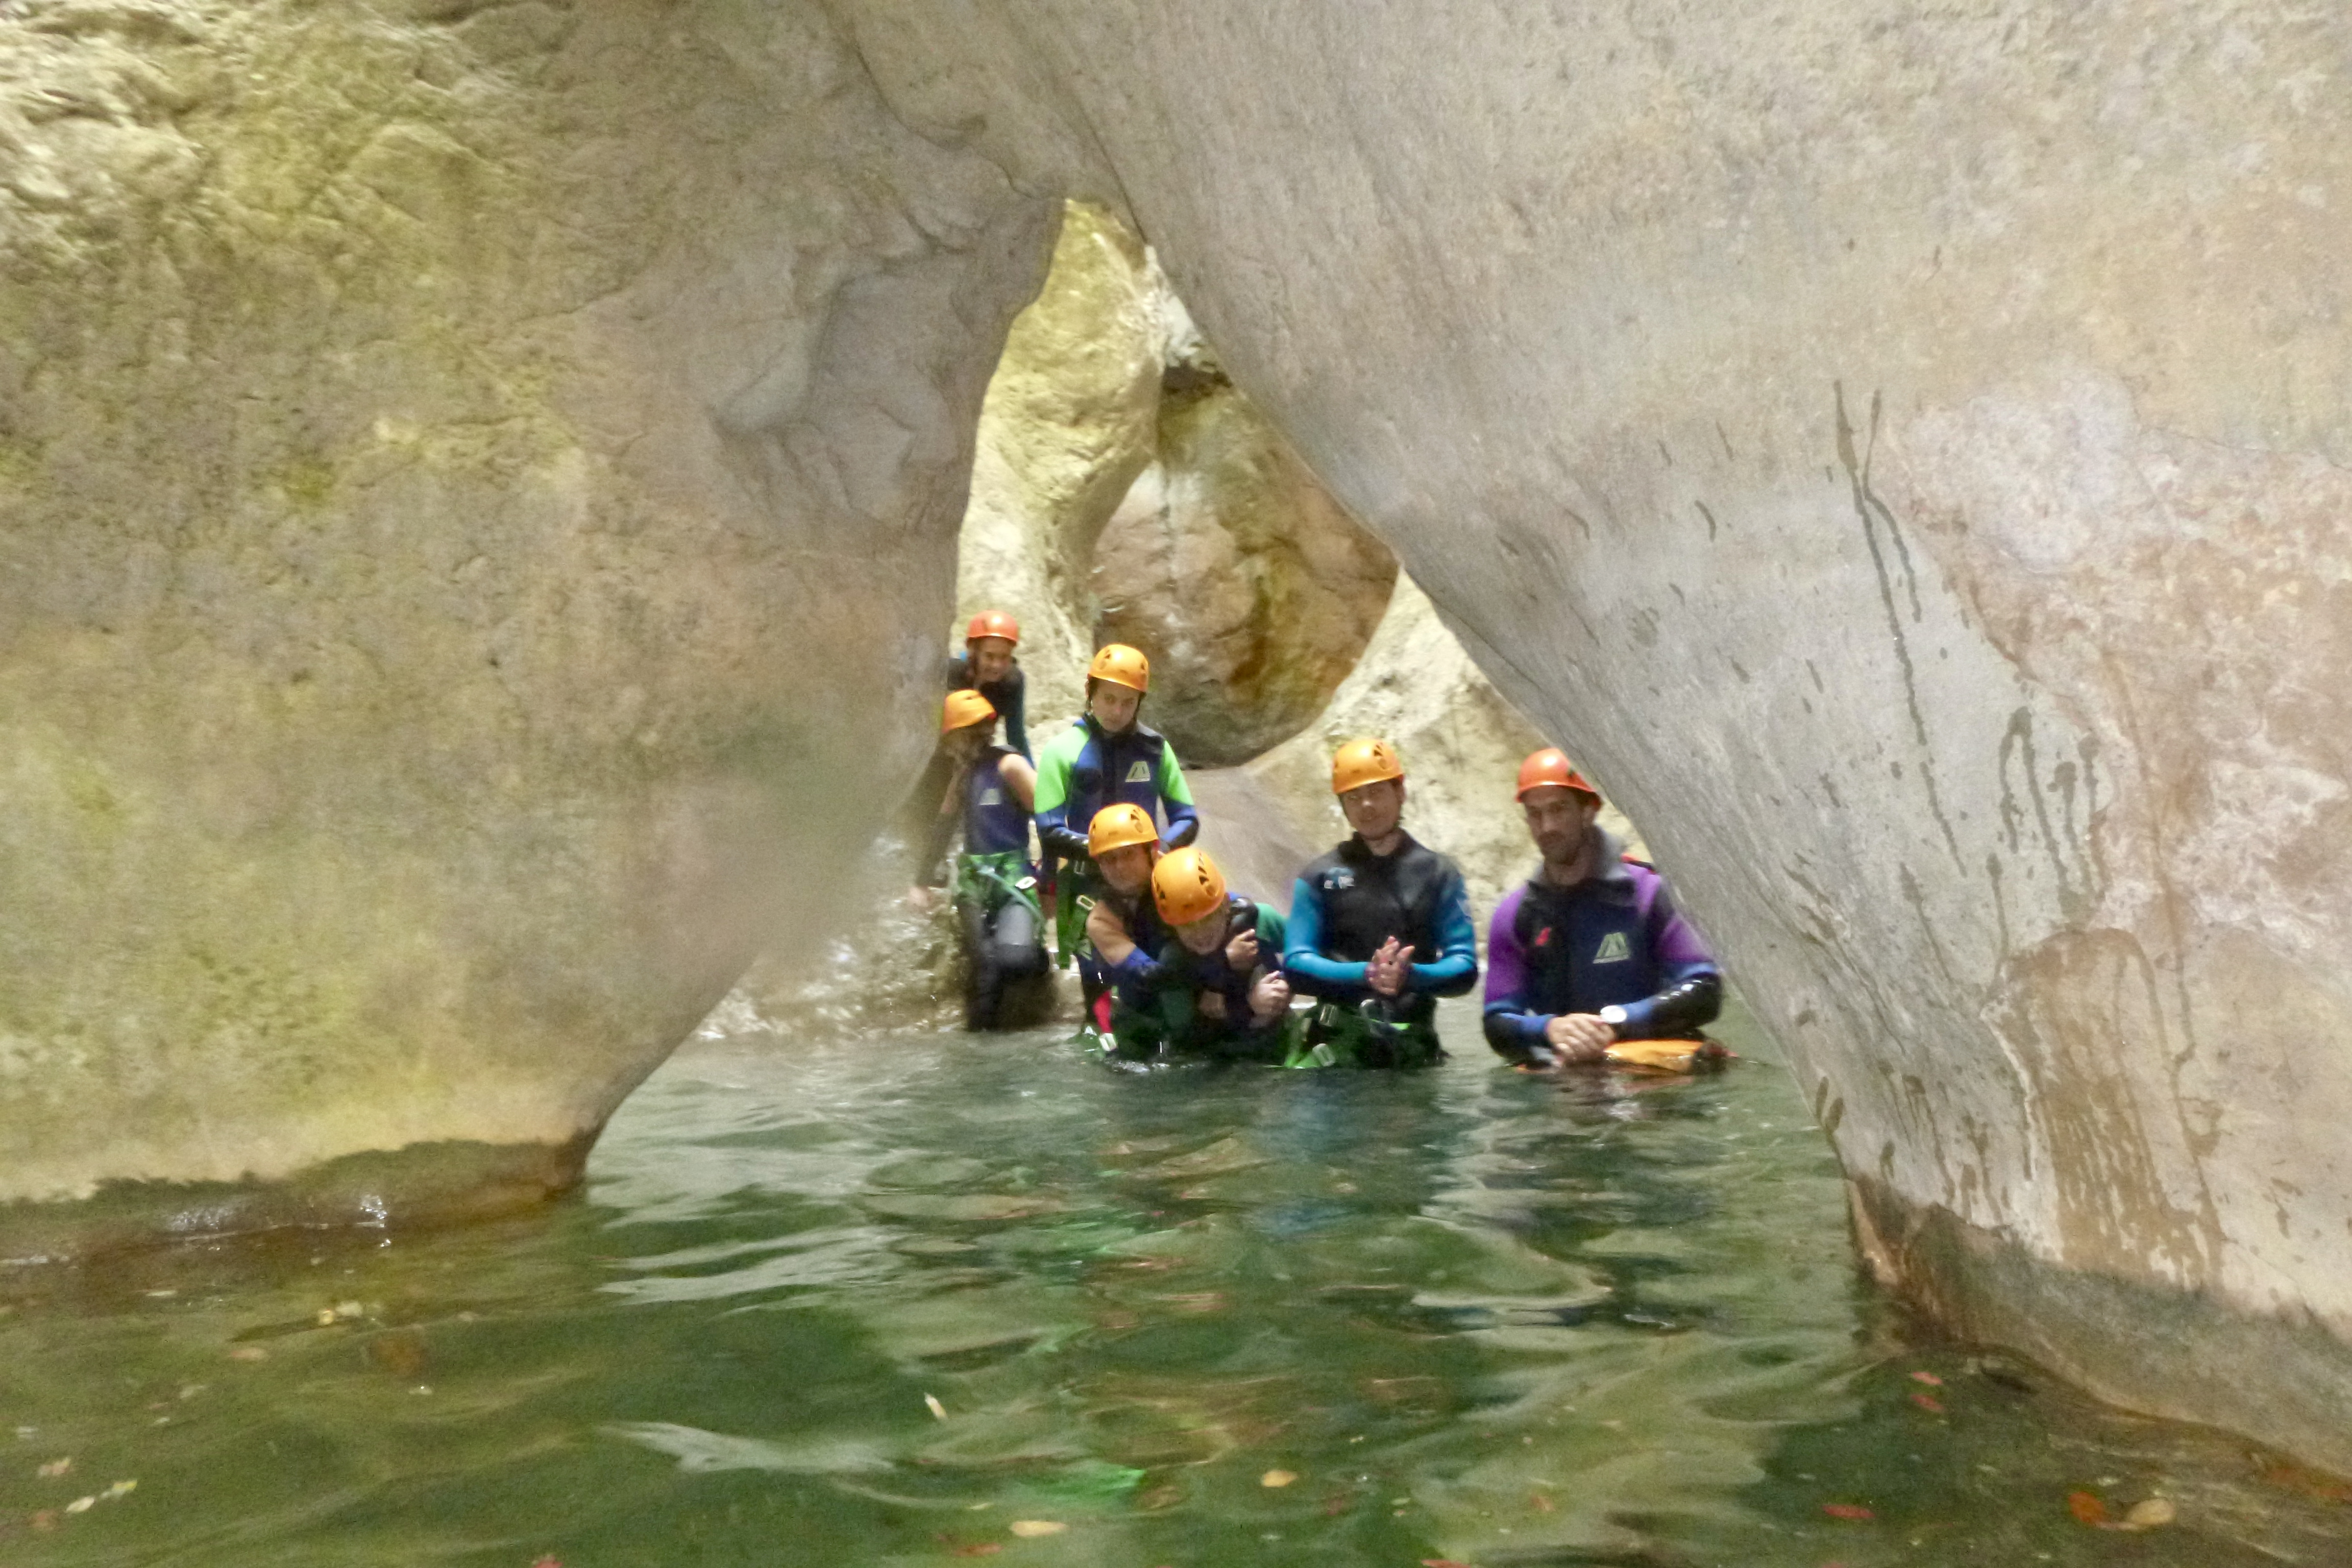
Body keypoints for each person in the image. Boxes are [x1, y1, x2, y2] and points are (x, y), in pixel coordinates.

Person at [1482, 748, 1722, 1067]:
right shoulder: (1516, 915)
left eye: (1558, 809)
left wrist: (1613, 1022)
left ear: (1588, 810)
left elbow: (1705, 992)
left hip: (1650, 1070)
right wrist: (1551, 1028)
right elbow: (1497, 1022)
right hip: (1569, 1074)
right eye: (1535, 814)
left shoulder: (1651, 894)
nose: (1547, 826)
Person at [1282, 739, 1478, 1067]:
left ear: (1400, 793)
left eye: (1377, 792)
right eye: (1354, 797)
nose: (1367, 806)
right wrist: (1367, 974)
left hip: (1412, 1046)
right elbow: (1296, 964)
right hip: (1334, 1047)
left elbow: (1465, 966)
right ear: (1343, 806)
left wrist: (1410, 975)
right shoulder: (1319, 877)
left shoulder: (1438, 873)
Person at [1032, 644, 1201, 993]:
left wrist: (1159, 849)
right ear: (1090, 692)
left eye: (1128, 702)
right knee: (1098, 983)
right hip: (1086, 883)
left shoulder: (1155, 749)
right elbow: (1050, 831)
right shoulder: (1062, 750)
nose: (1117, 711)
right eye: (1108, 699)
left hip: (1149, 884)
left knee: (1160, 974)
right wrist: (1109, 853)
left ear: (1140, 702)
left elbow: (1187, 818)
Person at [914, 690, 1047, 1029]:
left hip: (1013, 875)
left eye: (952, 740)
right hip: (974, 881)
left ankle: (1035, 954)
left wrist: (1053, 871)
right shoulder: (964, 776)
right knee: (986, 965)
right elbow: (943, 827)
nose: (948, 750)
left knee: (1014, 960)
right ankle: (982, 1045)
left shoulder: (1010, 766)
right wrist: (921, 881)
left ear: (967, 735)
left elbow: (1049, 816)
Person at [1144, 846, 1293, 1061]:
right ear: (1171, 927)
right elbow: (1185, 1038)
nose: (1200, 934)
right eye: (1186, 926)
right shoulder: (1173, 960)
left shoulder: (1261, 922)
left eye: (1207, 919)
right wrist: (1248, 1006)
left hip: (1277, 1042)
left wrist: (1289, 983)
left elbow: (1309, 953)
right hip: (1216, 1060)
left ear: (1225, 905)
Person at [1080, 802, 1172, 1054]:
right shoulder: (1101, 919)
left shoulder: (1180, 876)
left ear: (1151, 851)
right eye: (1109, 860)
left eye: (1129, 854)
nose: (1119, 868)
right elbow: (1146, 973)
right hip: (1145, 1006)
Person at [948, 609, 1030, 758]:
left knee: (1014, 763)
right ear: (973, 650)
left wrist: (1028, 768)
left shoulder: (1012, 682)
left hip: (980, 754)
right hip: (945, 755)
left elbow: (1016, 735)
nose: (997, 665)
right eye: (989, 656)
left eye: (1004, 657)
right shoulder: (952, 674)